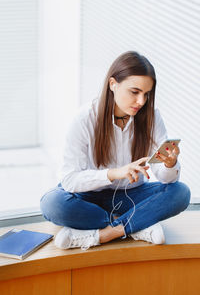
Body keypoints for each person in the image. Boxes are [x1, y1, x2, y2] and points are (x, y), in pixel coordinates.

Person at [40, 51, 191, 251]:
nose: (141, 101)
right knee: (53, 203)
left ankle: (105, 234)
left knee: (181, 193)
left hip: (132, 194)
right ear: (113, 84)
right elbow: (70, 179)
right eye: (134, 92)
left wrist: (169, 165)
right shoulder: (85, 119)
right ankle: (136, 225)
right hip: (89, 197)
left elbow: (165, 180)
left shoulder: (152, 118)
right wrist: (114, 173)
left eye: (146, 94)